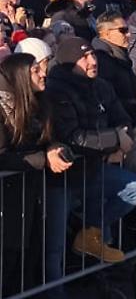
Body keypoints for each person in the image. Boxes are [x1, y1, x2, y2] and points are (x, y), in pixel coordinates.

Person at [45, 37, 136, 265]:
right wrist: (115, 140)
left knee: (135, 188)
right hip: (63, 178)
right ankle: (55, 291)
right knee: (55, 244)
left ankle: (89, 231)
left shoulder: (101, 86)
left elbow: (123, 119)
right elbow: (74, 137)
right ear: (71, 63)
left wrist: (122, 136)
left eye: (93, 54)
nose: (93, 61)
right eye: (85, 57)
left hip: (93, 170)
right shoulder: (57, 91)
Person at [0, 53, 73, 299]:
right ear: (20, 75)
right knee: (8, 264)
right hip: (7, 202)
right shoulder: (2, 107)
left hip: (30, 197)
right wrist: (43, 159)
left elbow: (48, 138)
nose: (44, 74)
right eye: (35, 70)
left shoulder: (39, 102)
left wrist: (53, 147)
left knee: (28, 262)